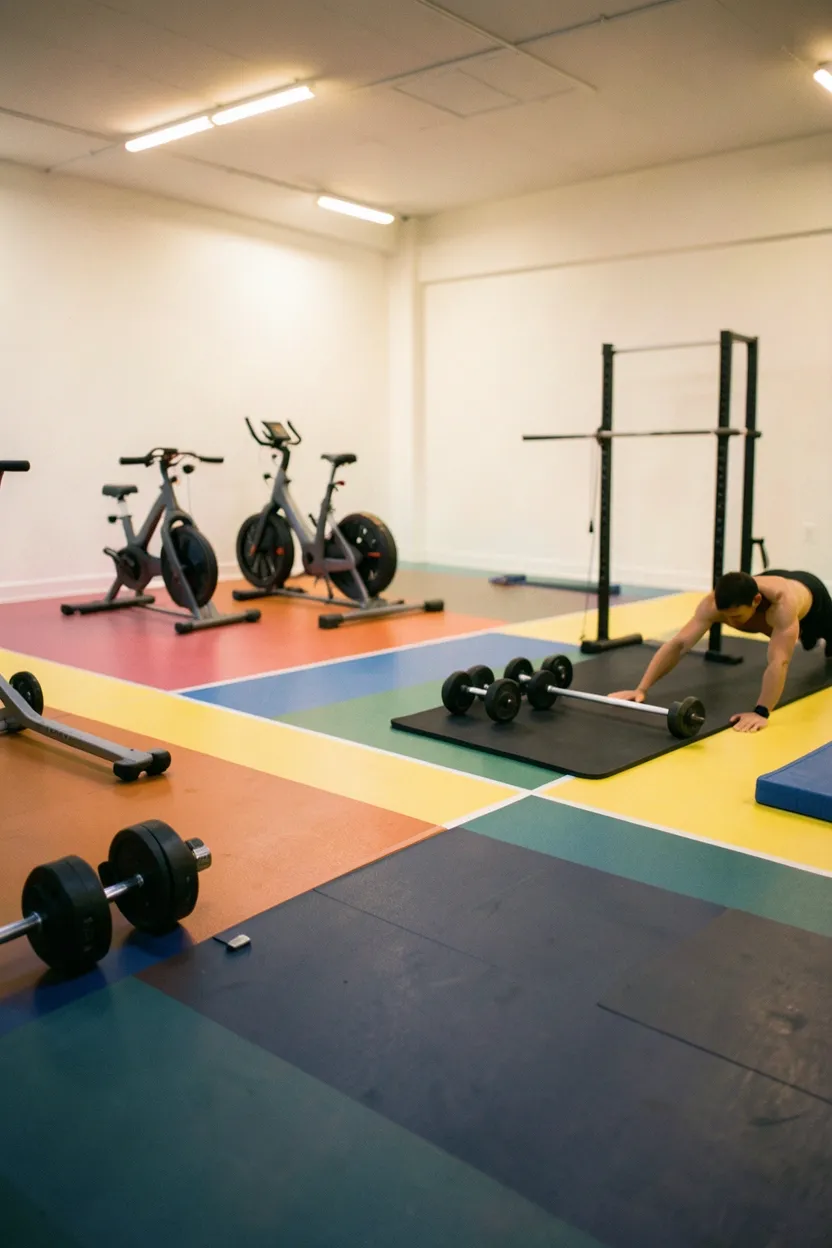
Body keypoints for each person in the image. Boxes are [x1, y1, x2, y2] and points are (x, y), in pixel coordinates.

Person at [611, 570, 832, 732]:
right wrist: (641, 688)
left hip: (813, 598)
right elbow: (679, 645)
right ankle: (806, 636)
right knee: (796, 636)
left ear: (756, 601)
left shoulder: (782, 606)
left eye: (734, 616)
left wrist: (761, 712)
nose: (728, 621)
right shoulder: (712, 604)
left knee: (820, 641)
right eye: (724, 616)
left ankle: (811, 635)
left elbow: (779, 662)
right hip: (769, 591)